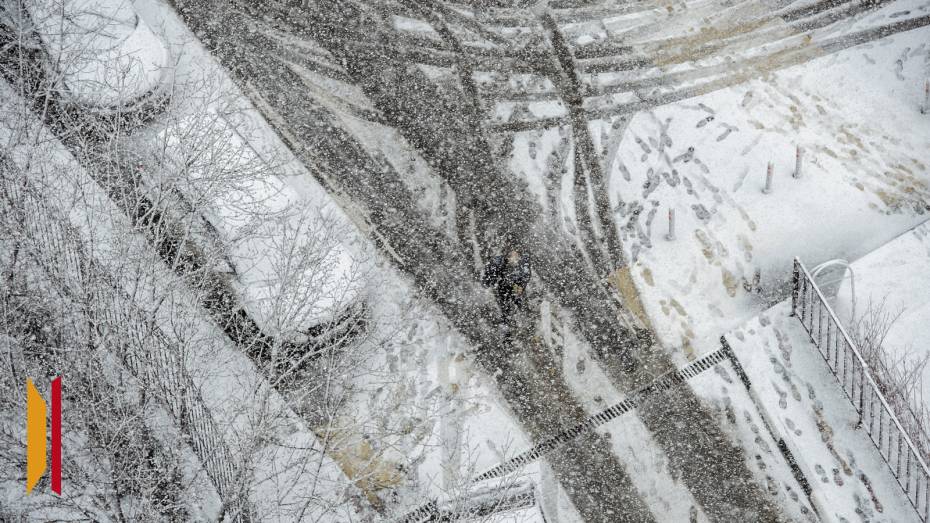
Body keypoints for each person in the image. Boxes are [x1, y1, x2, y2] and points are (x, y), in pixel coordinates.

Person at [482, 248, 531, 321]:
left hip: (513, 285)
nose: (516, 258)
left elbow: (525, 276)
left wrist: (520, 286)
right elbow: (489, 276)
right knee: (506, 306)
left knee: (519, 302)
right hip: (503, 286)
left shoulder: (523, 263)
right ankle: (507, 318)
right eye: (513, 255)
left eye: (517, 256)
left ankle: (520, 315)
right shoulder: (499, 262)